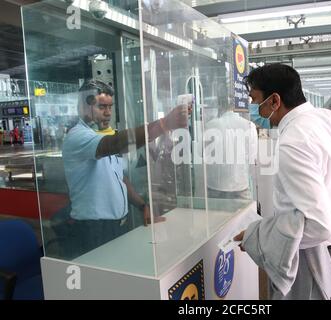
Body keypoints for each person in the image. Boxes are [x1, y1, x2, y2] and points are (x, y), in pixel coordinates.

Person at [234, 64, 331, 300]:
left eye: (255, 99)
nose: (253, 107)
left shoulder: (293, 142)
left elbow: (318, 225)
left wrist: (259, 238)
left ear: (274, 101)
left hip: (319, 255)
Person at [62, 79, 190, 257]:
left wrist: (141, 205)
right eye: (101, 107)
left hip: (117, 224)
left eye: (110, 107)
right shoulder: (78, 137)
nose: (107, 113)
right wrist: (163, 124)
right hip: (94, 228)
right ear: (84, 106)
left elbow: (119, 178)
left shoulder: (102, 135)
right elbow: (115, 144)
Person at [203, 90, 257, 200]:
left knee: (216, 217)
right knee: (243, 216)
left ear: (219, 105)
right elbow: (253, 158)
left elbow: (202, 156)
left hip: (214, 187)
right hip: (240, 186)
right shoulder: (249, 126)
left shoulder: (210, 125)